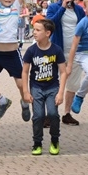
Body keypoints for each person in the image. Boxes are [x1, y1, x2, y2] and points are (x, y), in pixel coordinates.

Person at [21, 19, 66, 156]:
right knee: (38, 116)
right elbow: (25, 71)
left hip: (52, 87)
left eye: (38, 30)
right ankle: (37, 143)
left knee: (53, 114)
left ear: (47, 33)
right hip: (36, 87)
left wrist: (61, 93)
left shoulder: (56, 50)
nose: (34, 32)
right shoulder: (31, 50)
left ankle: (54, 140)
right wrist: (25, 91)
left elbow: (63, 72)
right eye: (34, 29)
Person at [46, 0, 87, 126]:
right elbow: (50, 24)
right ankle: (51, 114)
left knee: (73, 84)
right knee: (54, 82)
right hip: (58, 50)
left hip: (75, 51)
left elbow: (84, 27)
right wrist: (63, 8)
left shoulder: (79, 10)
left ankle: (67, 113)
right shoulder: (53, 7)